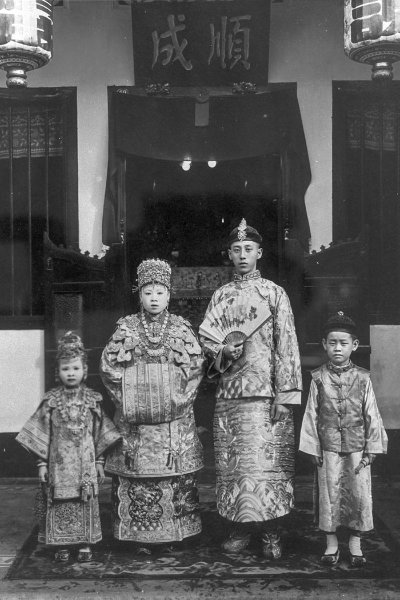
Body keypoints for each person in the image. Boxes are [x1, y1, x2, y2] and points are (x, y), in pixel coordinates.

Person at [200, 218, 302, 559]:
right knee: (235, 468)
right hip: (230, 394)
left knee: (266, 467)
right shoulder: (221, 296)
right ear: (229, 254)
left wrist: (284, 396)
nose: (243, 255)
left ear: (260, 252)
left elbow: (286, 344)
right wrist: (222, 352)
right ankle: (240, 527)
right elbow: (209, 342)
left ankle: (272, 530)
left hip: (265, 395)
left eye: (249, 249)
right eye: (236, 250)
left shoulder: (273, 293)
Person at [100, 258, 205, 548]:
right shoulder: (126, 329)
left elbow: (195, 368)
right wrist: (134, 401)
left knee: (173, 474)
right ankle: (138, 537)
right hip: (136, 422)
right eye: (148, 292)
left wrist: (177, 400)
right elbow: (109, 368)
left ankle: (175, 534)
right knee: (138, 476)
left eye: (160, 292)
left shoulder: (182, 329)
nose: (154, 298)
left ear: (169, 295)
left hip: (174, 418)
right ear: (140, 295)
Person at [16, 332, 121, 562]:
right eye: (65, 369)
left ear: (84, 369)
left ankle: (85, 543)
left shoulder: (93, 400)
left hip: (84, 467)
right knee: (59, 501)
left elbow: (100, 433)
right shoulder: (51, 402)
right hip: (58, 467)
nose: (71, 373)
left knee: (84, 501)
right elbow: (41, 434)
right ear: (58, 372)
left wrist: (99, 463)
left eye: (75, 368)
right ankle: (61, 544)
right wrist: (42, 464)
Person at [299, 311, 387, 566]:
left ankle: (356, 544)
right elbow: (310, 414)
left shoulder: (363, 378)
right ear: (325, 345)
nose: (338, 348)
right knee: (330, 494)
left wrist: (372, 447)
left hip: (357, 447)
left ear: (354, 345)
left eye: (344, 343)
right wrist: (313, 447)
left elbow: (372, 412)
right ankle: (331, 544)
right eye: (333, 343)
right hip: (327, 447)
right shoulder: (318, 378)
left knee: (358, 494)